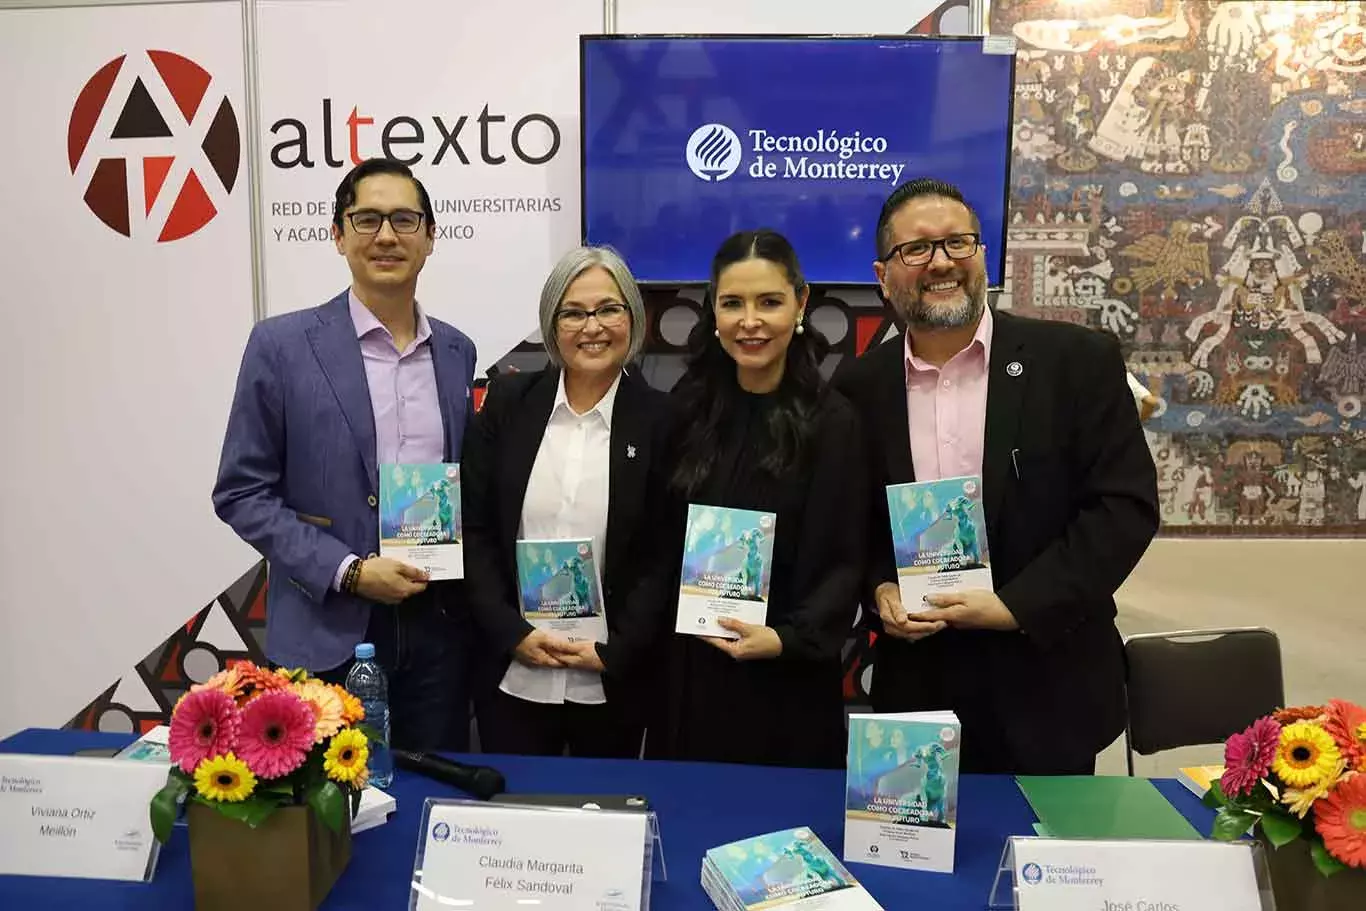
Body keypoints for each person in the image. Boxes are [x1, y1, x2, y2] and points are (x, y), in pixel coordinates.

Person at [831, 178, 1159, 775]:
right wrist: (879, 590)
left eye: (958, 243)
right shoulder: (858, 388)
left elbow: (1123, 510)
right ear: (884, 275)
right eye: (917, 250)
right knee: (917, 866)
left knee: (1044, 862)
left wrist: (1012, 607)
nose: (941, 263)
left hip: (1047, 677)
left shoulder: (1077, 363)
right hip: (917, 686)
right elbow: (849, 522)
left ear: (982, 256)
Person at [213, 157, 477, 751]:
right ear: (337, 234)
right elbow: (241, 492)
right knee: (332, 820)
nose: (387, 235)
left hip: (437, 630)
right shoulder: (281, 346)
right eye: (367, 219)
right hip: (326, 630)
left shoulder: (457, 351)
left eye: (405, 220)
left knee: (433, 800)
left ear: (431, 237)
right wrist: (350, 572)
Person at [642, 230, 867, 769]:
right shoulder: (685, 411)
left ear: (801, 303)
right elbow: (655, 541)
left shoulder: (833, 423)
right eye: (732, 303)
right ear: (712, 311)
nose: (750, 321)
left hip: (785, 682)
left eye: (769, 302)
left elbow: (843, 561)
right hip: (690, 678)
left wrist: (786, 639)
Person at [462, 246, 671, 758]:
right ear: (552, 325)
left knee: (603, 822)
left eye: (608, 309)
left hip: (611, 678)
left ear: (633, 318)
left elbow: (665, 553)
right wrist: (511, 633)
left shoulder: (664, 419)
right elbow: (475, 531)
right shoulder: (508, 405)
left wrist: (615, 650)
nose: (591, 327)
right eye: (573, 312)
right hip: (514, 671)